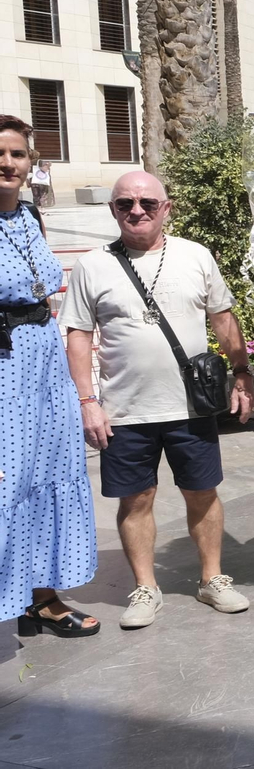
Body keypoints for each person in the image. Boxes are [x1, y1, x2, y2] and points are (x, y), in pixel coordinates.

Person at [62, 171, 254, 629]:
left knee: (202, 494)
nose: (136, 211)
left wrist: (243, 374)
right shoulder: (93, 265)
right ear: (113, 210)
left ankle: (213, 579)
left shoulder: (194, 256)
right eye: (125, 203)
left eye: (148, 203)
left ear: (166, 208)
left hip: (191, 406)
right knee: (136, 499)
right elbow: (78, 336)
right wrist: (87, 400)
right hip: (124, 410)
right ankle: (146, 588)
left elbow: (224, 319)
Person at [0, 116, 98, 638]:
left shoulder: (30, 216)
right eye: (0, 154)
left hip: (43, 359)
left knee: (50, 475)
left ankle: (40, 598)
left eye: (17, 154)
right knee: (6, 482)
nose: (7, 163)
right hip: (2, 363)